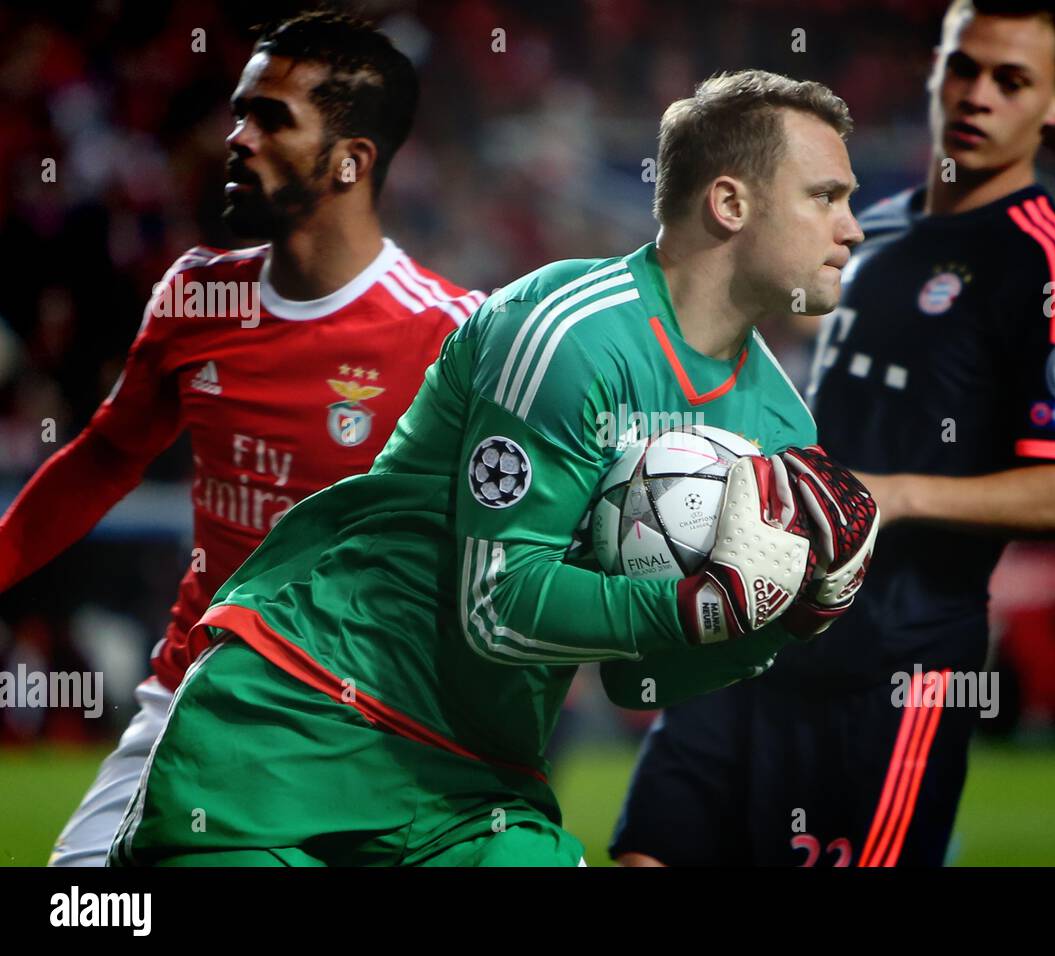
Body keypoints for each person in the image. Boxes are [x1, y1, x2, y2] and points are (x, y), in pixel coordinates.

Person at [107, 69, 877, 867]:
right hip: (299, 721)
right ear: (730, 204)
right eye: (826, 197)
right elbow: (498, 604)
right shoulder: (568, 333)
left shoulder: (781, 427)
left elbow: (638, 682)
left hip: (474, 789)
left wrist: (781, 622)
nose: (852, 229)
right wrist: (703, 609)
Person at [611, 0, 1055, 867]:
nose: (978, 95)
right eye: (963, 67)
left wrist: (894, 494)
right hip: (754, 624)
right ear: (935, 69)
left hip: (895, 663)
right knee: (647, 852)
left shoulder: (1051, 264)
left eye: (1012, 79)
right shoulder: (865, 232)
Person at [0, 11, 482, 867]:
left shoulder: (453, 338)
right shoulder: (194, 298)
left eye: (271, 118)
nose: (237, 138)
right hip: (197, 690)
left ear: (351, 159)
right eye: (238, 112)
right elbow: (106, 457)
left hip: (372, 714)